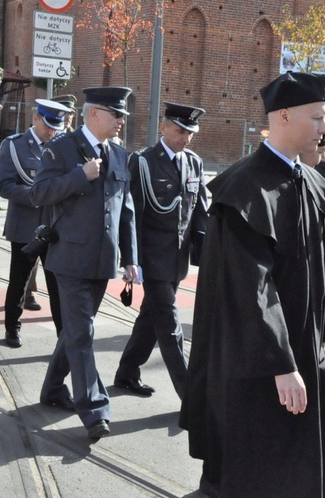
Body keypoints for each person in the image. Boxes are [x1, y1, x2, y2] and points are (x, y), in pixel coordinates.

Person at [180, 72, 325, 497]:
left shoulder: (304, 178)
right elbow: (250, 288)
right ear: (285, 117)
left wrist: (323, 335)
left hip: (300, 346)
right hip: (259, 360)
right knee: (253, 466)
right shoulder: (247, 187)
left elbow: (316, 269)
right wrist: (281, 363)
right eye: (318, 118)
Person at [31, 86, 137, 439]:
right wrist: (80, 176)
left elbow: (127, 213)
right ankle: (94, 410)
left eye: (122, 114)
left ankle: (51, 389)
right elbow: (39, 193)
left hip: (102, 260)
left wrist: (131, 257)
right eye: (115, 114)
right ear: (94, 114)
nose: (122, 120)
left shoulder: (120, 156)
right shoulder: (62, 149)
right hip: (69, 258)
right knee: (82, 333)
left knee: (77, 330)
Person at [114, 102, 208, 399]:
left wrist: (206, 255)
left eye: (190, 132)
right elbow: (130, 214)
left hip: (177, 259)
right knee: (170, 326)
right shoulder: (142, 162)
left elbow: (200, 214)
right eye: (180, 131)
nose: (186, 138)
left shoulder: (193, 162)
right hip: (152, 259)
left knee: (150, 320)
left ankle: (127, 371)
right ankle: (191, 397)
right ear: (163, 127)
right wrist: (131, 259)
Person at [0, 99, 70, 347]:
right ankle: (12, 329)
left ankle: (64, 337)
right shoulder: (15, 145)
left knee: (58, 285)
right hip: (26, 225)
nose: (52, 132)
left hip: (54, 227)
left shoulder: (62, 146)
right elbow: (4, 185)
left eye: (56, 127)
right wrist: (36, 196)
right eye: (48, 125)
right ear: (36, 118)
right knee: (19, 281)